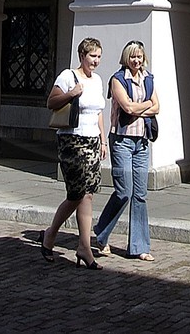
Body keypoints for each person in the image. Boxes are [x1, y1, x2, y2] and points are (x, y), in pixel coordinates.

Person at [90, 41, 161, 260]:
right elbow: (127, 107)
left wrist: (142, 107)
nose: (136, 61)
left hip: (142, 142)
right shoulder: (118, 80)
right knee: (124, 192)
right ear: (126, 58)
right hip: (121, 141)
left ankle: (139, 247)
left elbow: (157, 106)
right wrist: (145, 106)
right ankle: (101, 232)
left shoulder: (148, 79)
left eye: (139, 56)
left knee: (140, 195)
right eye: (132, 57)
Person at [41, 37, 108, 268]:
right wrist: (72, 94)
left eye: (99, 56)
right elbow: (52, 102)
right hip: (71, 140)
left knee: (88, 194)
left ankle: (80, 245)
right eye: (92, 56)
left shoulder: (98, 80)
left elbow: (99, 111)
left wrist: (102, 138)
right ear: (82, 56)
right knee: (77, 194)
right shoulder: (68, 76)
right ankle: (56, 237)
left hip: (91, 140)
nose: (96, 61)